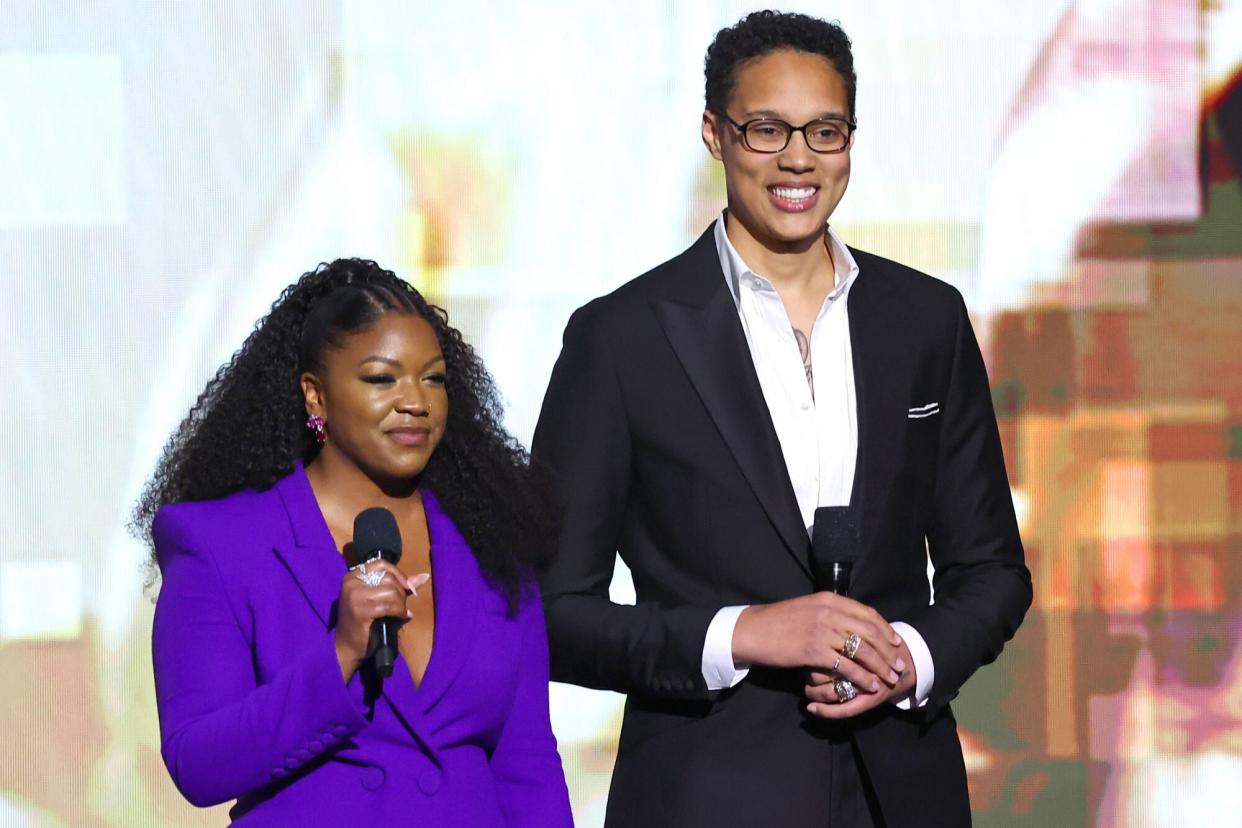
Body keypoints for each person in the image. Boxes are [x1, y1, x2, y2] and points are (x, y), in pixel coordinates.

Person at [532, 11, 1031, 828]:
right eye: (767, 129)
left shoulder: (925, 319)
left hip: (901, 794)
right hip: (706, 795)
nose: (798, 157)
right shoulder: (620, 338)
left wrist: (912, 658)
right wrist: (743, 634)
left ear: (850, 140)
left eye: (824, 131)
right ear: (714, 134)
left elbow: (993, 572)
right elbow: (550, 613)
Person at [136, 258, 573, 826]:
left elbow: (528, 766)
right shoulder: (221, 543)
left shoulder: (491, 541)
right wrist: (341, 654)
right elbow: (199, 763)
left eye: (434, 378)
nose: (415, 400)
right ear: (315, 396)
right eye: (380, 378)